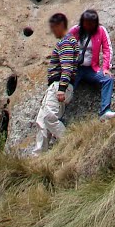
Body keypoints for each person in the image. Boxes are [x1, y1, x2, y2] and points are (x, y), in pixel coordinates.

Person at [32, 12, 78, 154]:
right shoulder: (65, 41)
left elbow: (67, 66)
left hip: (59, 85)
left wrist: (61, 88)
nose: (52, 31)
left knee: (49, 117)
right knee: (41, 121)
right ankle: (39, 156)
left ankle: (71, 144)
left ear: (60, 26)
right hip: (55, 86)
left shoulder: (66, 42)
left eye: (53, 27)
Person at [69, 9, 115, 121]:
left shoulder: (101, 30)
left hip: (91, 68)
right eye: (86, 23)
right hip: (75, 68)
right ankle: (57, 116)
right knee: (66, 87)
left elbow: (107, 49)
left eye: (91, 24)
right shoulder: (75, 30)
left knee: (107, 79)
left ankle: (105, 111)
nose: (89, 26)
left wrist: (105, 68)